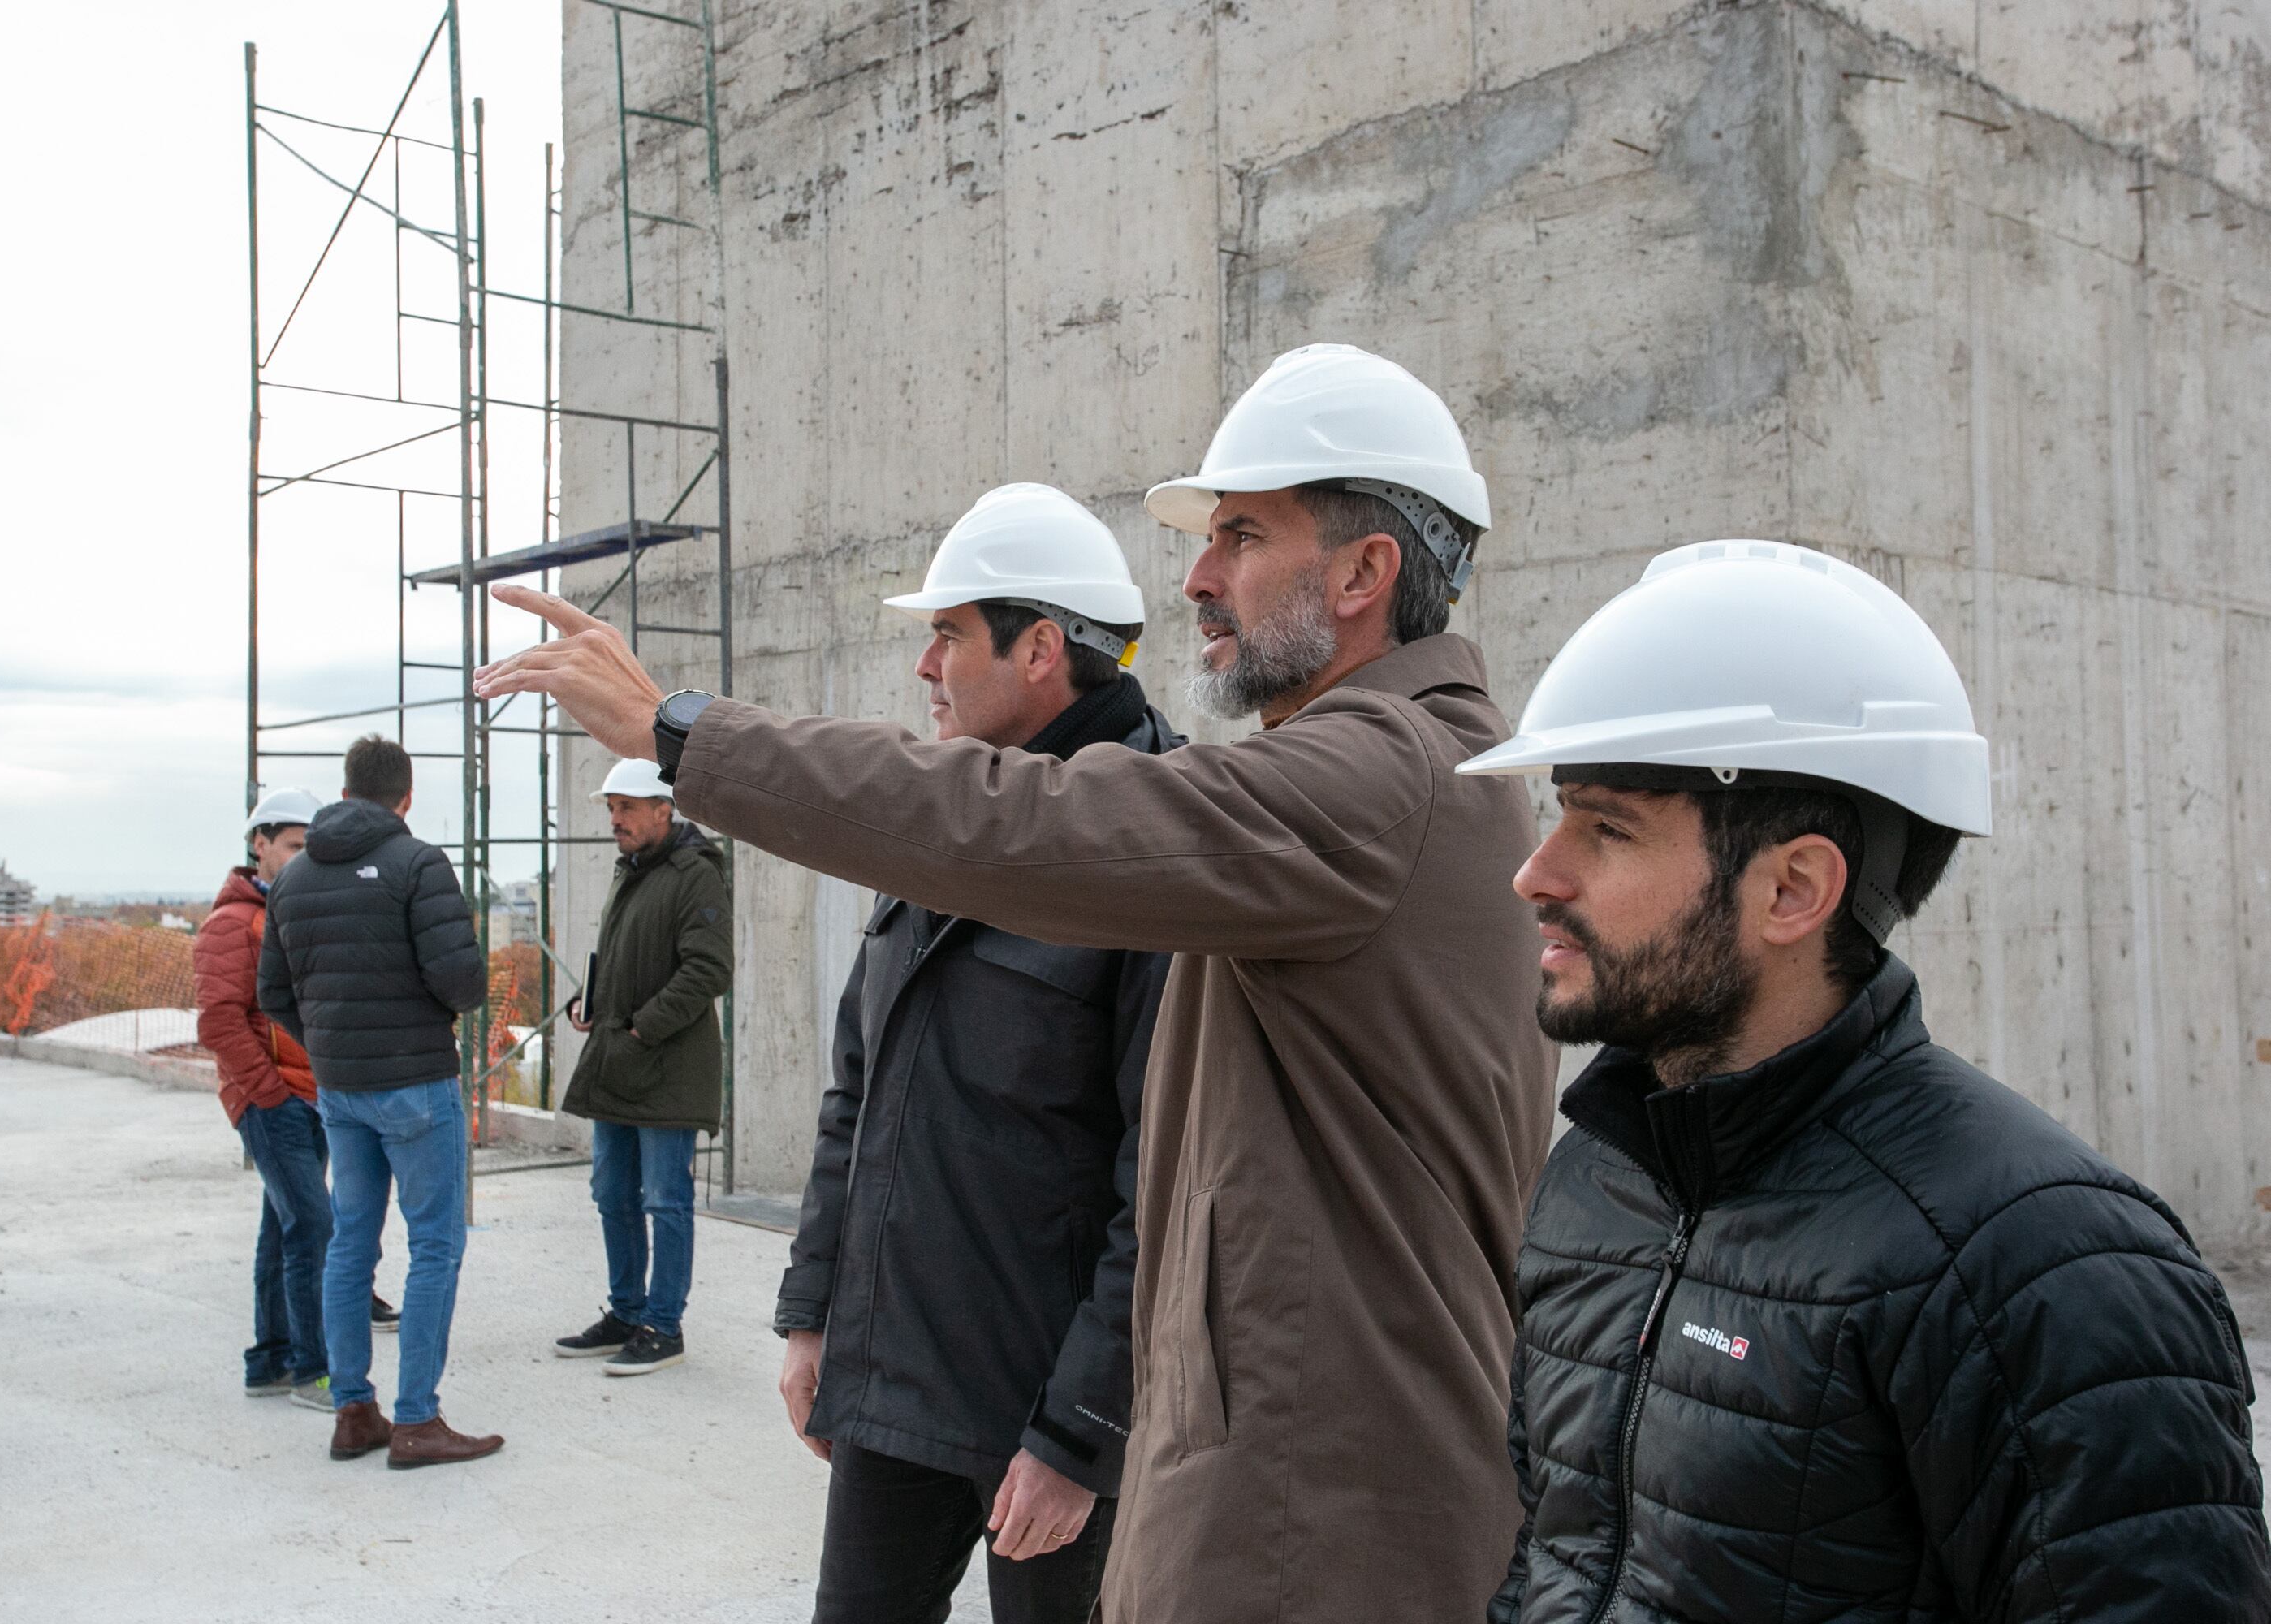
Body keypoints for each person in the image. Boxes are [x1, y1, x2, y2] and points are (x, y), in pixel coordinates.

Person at [474, 345, 1558, 1622]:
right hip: (1258, 1466)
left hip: (1320, 1512)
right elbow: (868, 1101)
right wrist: (821, 1303)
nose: (1199, 577)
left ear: (1366, 572)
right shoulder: (1381, 777)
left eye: (1243, 537)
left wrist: (687, 735)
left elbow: (1030, 831)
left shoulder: (1385, 777)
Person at [1457, 540, 2271, 1621]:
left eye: (1606, 828)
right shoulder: (1596, 1185)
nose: (1536, 872)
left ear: (1794, 888)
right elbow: (1556, 1570)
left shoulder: (2044, 1272)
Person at [776, 485, 1179, 1624]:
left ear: (1042, 648)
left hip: (1044, 1423)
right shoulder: (941, 827)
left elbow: (1165, 1181)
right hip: (893, 1390)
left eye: (948, 635)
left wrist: (1082, 1433)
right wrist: (814, 1317)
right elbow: (859, 1089)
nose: (925, 669)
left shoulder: (1158, 853)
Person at [259, 734, 500, 1471]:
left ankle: (352, 1412)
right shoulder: (418, 863)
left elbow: (273, 994)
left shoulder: (295, 877)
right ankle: (418, 1421)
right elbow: (462, 985)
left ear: (345, 788)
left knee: (350, 1244)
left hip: (340, 1089)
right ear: (406, 795)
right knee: (435, 1245)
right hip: (415, 1085)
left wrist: (330, 1045)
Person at [195, 787, 399, 1410]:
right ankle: (314, 1370)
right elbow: (219, 1022)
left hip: (308, 1097)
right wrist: (269, 1093)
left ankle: (270, 1360)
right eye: (292, 845)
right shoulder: (231, 924)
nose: (304, 857)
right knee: (315, 1226)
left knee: (283, 1230)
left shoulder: (289, 911)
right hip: (275, 1102)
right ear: (259, 845)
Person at [553, 758, 732, 1377]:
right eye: (611, 808)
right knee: (611, 1193)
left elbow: (709, 970)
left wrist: (640, 1027)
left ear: (664, 809)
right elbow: (621, 953)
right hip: (618, 1062)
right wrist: (592, 1002)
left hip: (668, 1067)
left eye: (626, 807)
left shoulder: (696, 873)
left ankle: (663, 1325)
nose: (615, 819)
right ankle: (625, 1312)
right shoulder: (629, 870)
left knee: (666, 1200)